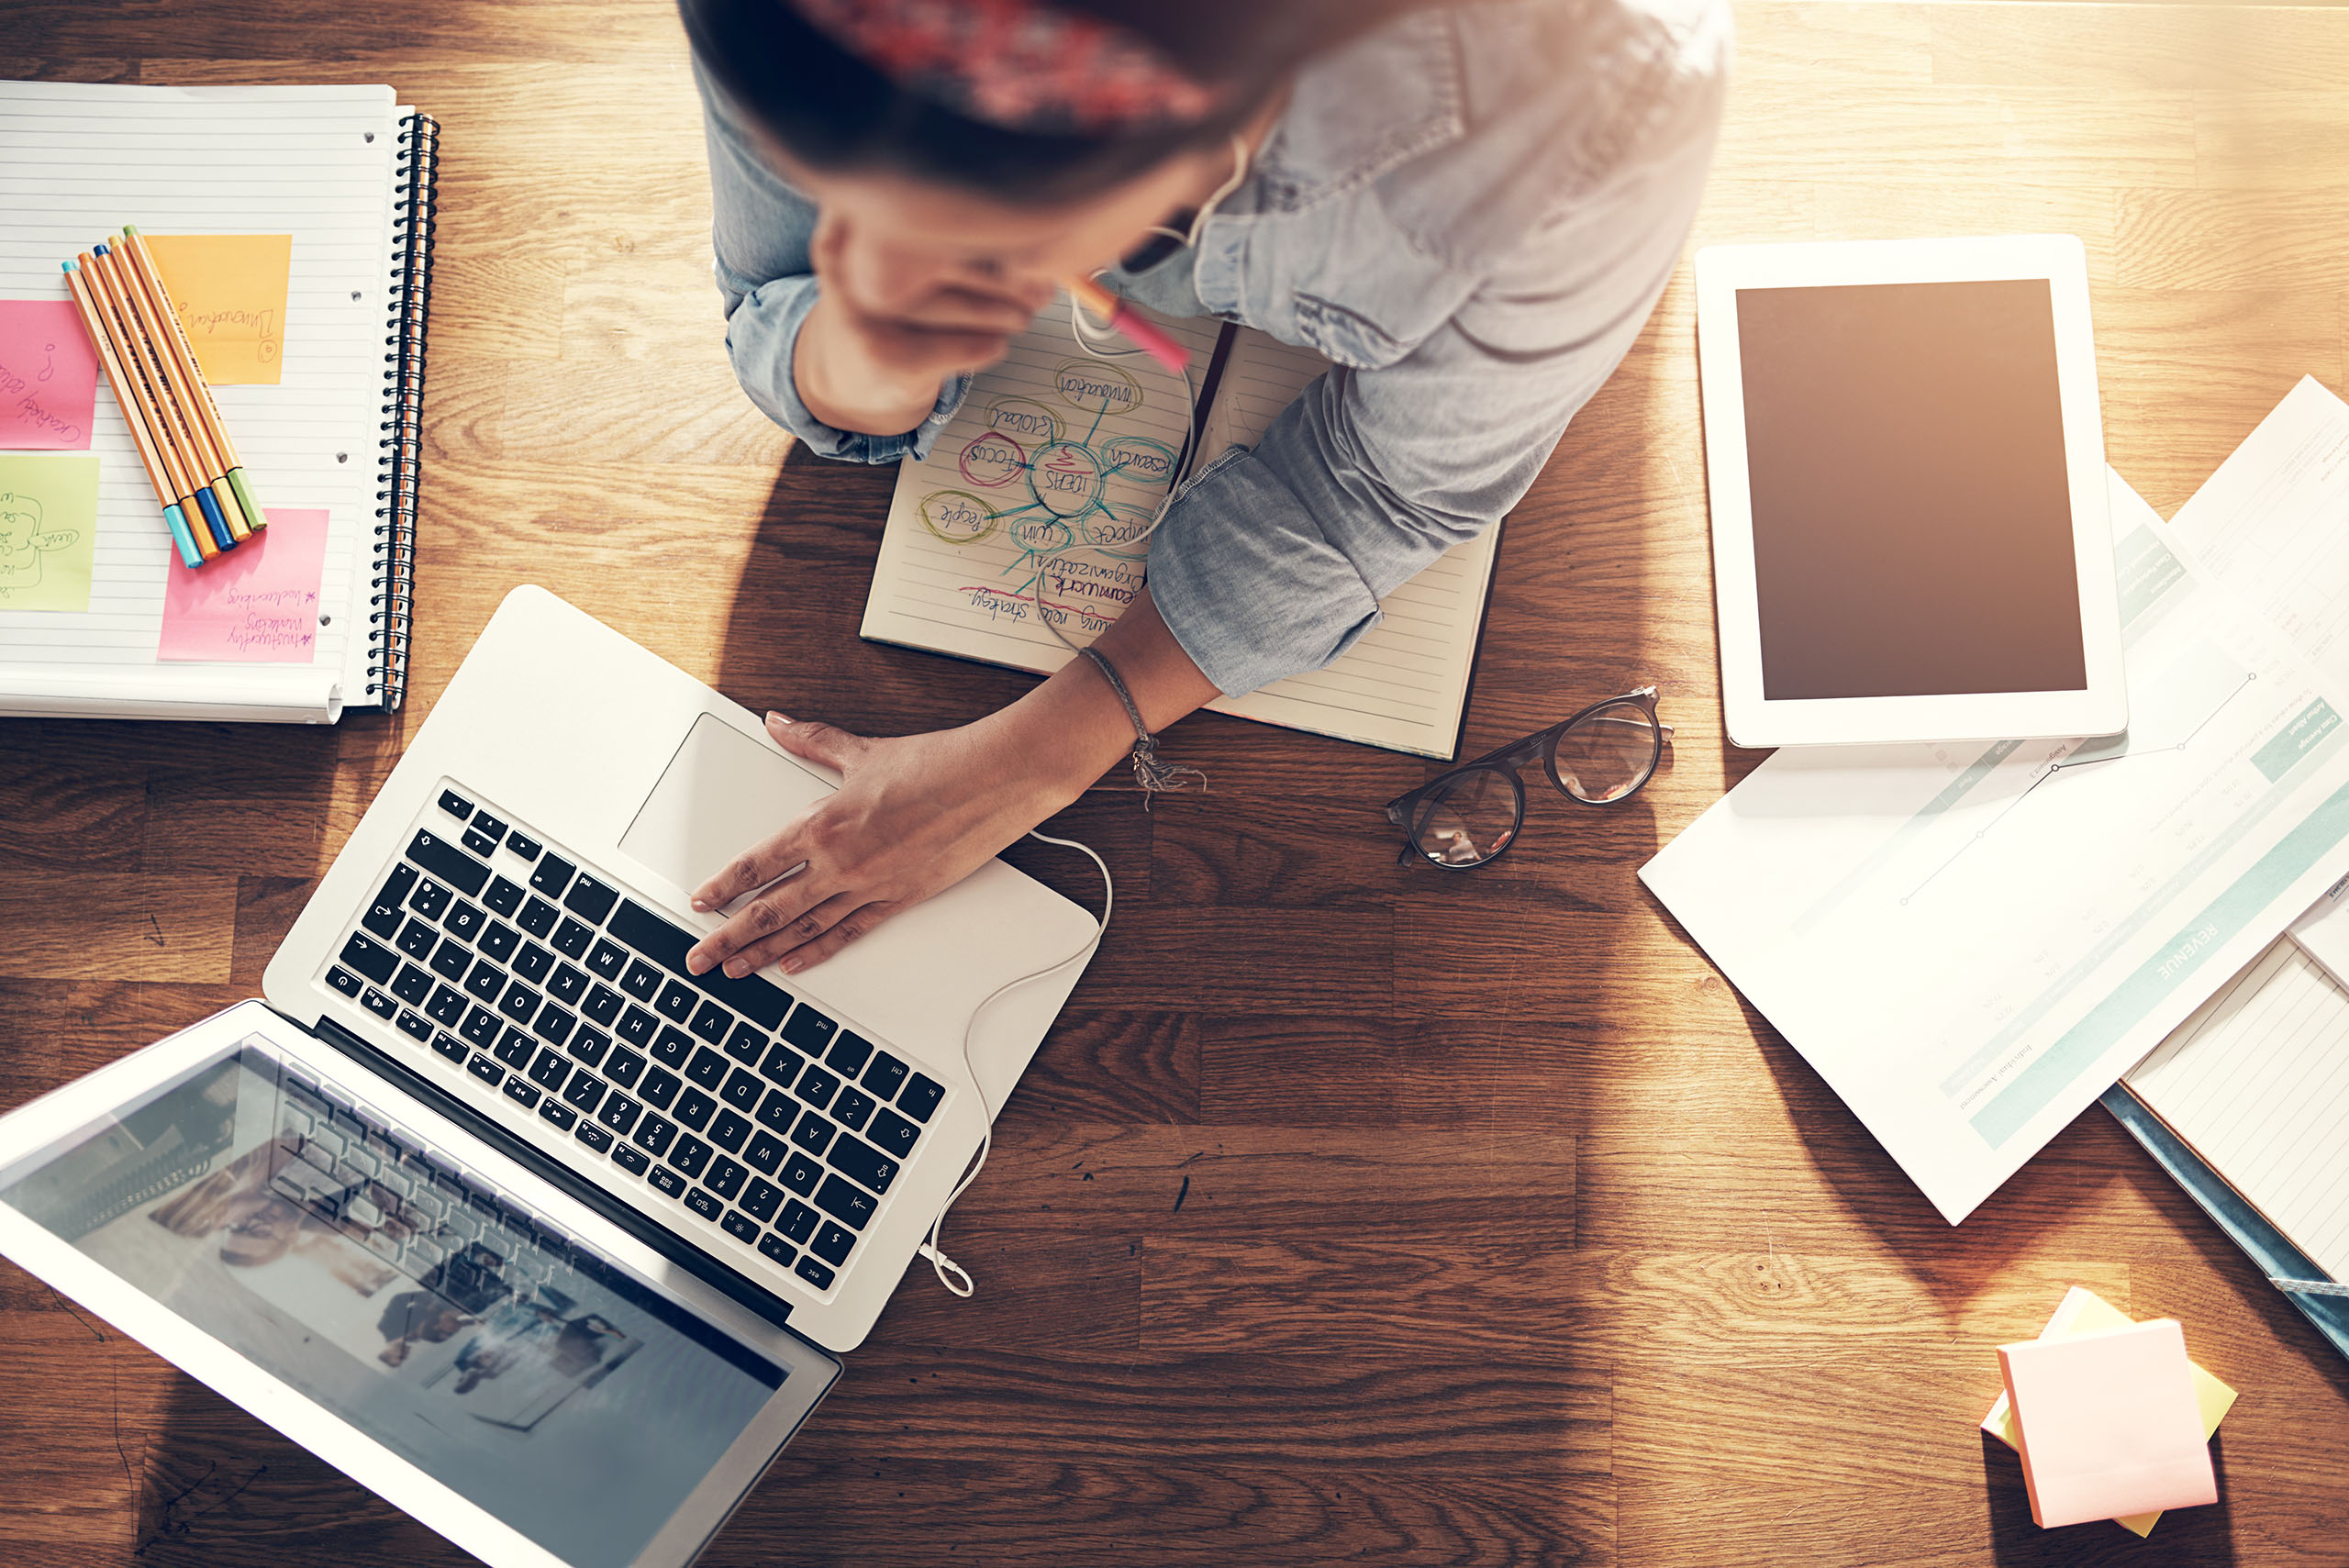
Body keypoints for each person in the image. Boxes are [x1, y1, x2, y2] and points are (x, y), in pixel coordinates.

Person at [677, 0, 1730, 981]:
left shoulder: (1601, 94)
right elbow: (777, 294)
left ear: (1212, 143)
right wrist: (863, 348)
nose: (910, 235)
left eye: (1004, 231)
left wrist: (1026, 763)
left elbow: (1386, 491)